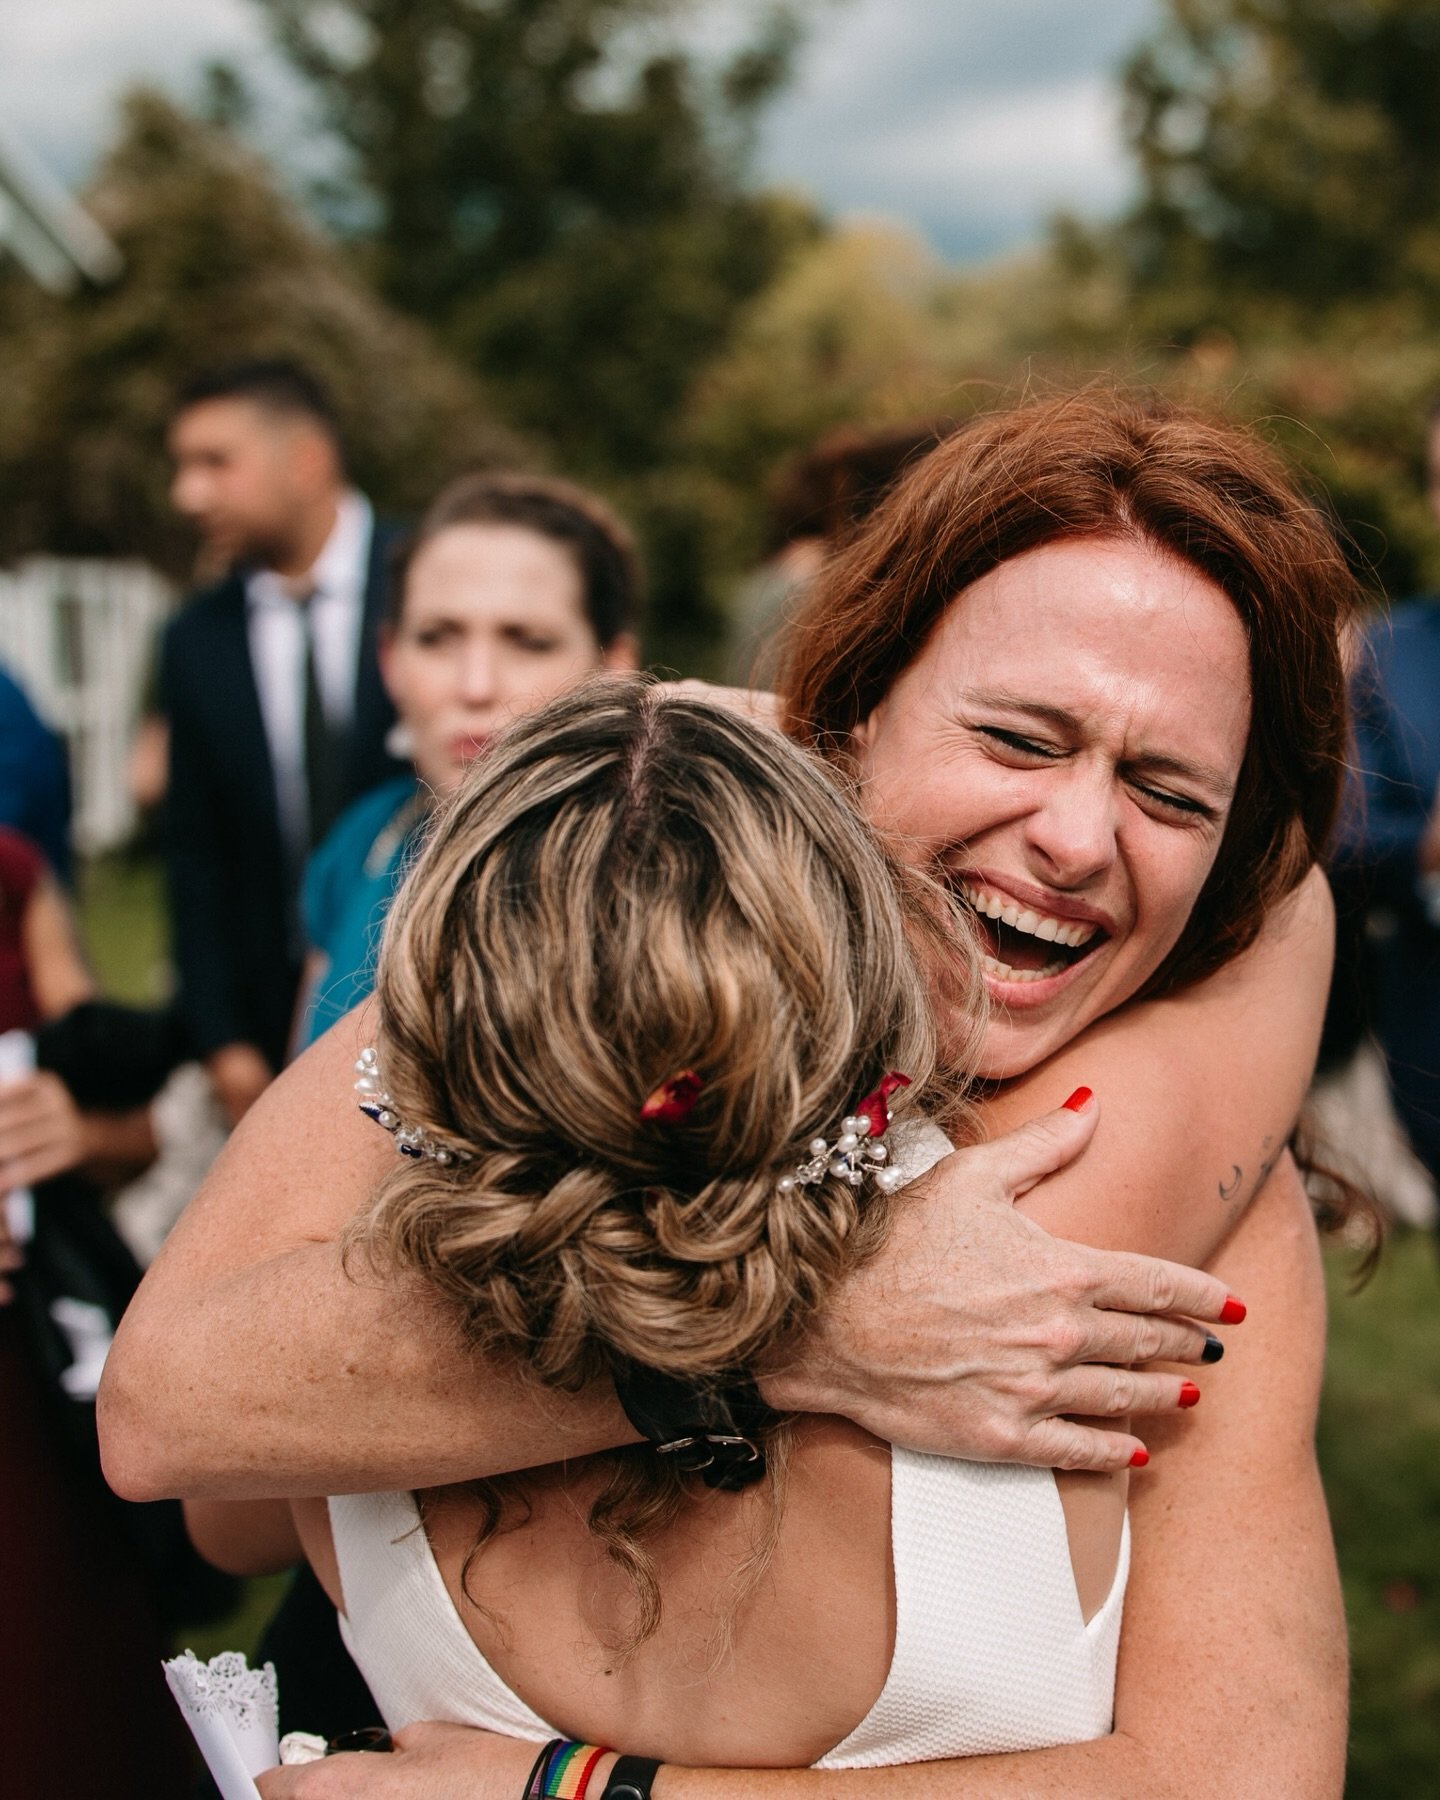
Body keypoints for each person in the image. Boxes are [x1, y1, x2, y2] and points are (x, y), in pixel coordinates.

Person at [103, 392, 1354, 1795]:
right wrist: (784, 1331)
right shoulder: (517, 1013)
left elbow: (1245, 1766)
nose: (1075, 837)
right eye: (1012, 738)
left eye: (1172, 796)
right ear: (851, 724)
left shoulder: (1182, 1184)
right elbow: (170, 1423)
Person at [296, 471, 640, 1051]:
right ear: (389, 658)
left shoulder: (660, 883)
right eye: (436, 637)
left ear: (615, 667)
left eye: (527, 640)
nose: (475, 685)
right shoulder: (361, 842)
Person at [160, 359, 407, 1125]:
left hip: (426, 1002)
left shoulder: (428, 579)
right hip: (268, 1040)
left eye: (214, 463)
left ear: (306, 459)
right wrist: (222, 1035)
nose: (187, 494)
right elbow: (195, 849)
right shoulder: (195, 637)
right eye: (181, 467)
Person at [0, 826, 193, 1800]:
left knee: (64, 1703)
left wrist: (74, 1132)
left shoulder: (12, 876)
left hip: (26, 1394)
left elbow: (135, 1137)